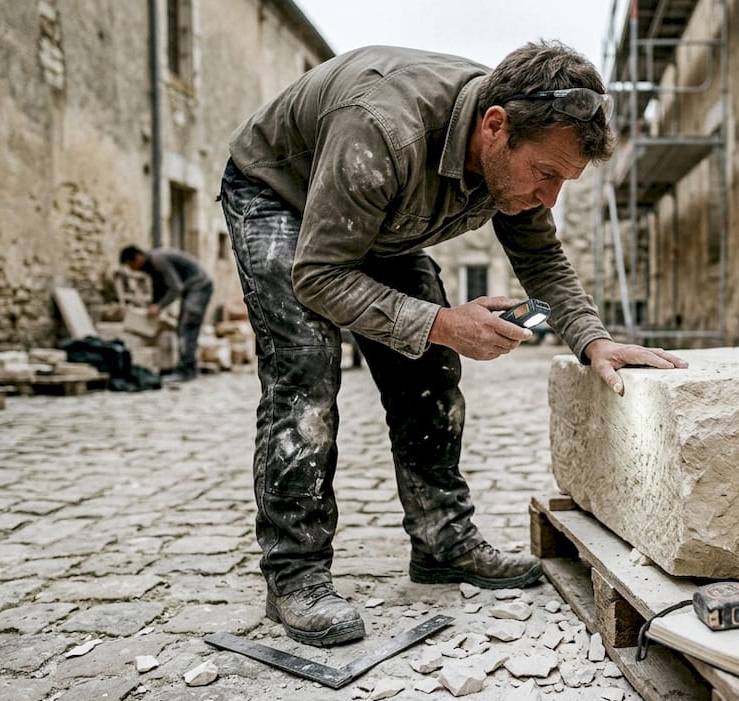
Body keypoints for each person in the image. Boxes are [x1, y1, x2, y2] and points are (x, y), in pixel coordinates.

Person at [219, 41, 688, 648]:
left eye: (564, 182)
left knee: (429, 370)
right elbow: (320, 275)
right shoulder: (383, 129)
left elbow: (542, 258)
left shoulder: (516, 147)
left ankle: (443, 540)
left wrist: (592, 341)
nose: (549, 198)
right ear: (495, 127)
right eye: (546, 175)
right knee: (305, 372)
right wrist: (444, 321)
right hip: (280, 197)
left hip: (377, 218)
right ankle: (296, 574)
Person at [119, 245, 214, 381]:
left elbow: (175, 287)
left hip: (199, 285)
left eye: (130, 265)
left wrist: (159, 306)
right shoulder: (151, 265)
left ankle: (186, 371)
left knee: (188, 325)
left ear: (138, 257)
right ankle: (186, 367)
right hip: (191, 289)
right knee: (182, 326)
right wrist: (154, 304)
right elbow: (159, 287)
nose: (131, 269)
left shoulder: (158, 260)